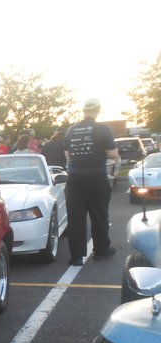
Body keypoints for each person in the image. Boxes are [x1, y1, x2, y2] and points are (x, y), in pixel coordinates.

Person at [64, 98, 120, 266]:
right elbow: (112, 154)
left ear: (83, 111)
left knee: (75, 218)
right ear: (97, 110)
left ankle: (76, 257)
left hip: (74, 178)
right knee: (99, 215)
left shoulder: (70, 130)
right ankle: (101, 251)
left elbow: (68, 156)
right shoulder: (103, 129)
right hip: (96, 176)